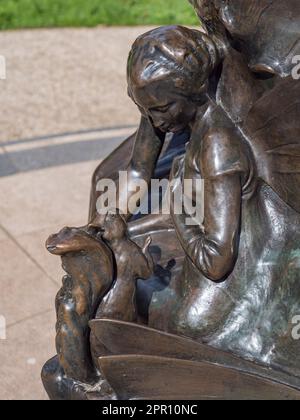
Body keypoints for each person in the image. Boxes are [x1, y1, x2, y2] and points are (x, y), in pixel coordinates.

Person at [91, 25, 300, 374]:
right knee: (111, 233)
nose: (154, 120)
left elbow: (217, 260)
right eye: (144, 108)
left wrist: (178, 214)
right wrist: (105, 222)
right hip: (203, 217)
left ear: (193, 92)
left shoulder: (218, 146)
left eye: (161, 109)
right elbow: (138, 171)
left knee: (148, 301)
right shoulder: (165, 101)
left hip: (229, 256)